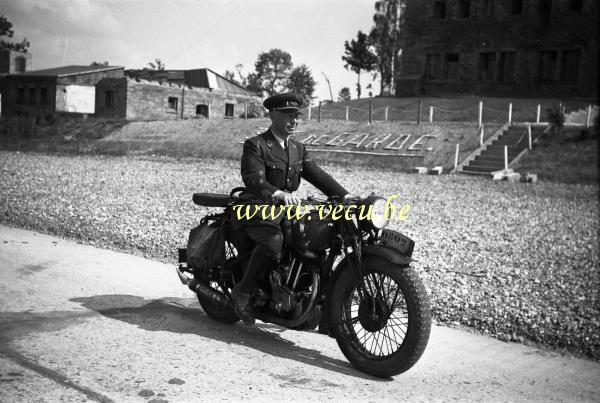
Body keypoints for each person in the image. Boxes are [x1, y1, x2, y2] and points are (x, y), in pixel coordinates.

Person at [232, 93, 349, 325]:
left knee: (316, 238)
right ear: (273, 114)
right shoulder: (256, 145)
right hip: (257, 207)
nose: (294, 120)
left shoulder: (298, 148)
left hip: (288, 209)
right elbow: (254, 180)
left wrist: (345, 195)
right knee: (273, 240)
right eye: (288, 115)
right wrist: (277, 193)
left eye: (297, 116)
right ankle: (243, 293)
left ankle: (308, 295)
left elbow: (318, 175)